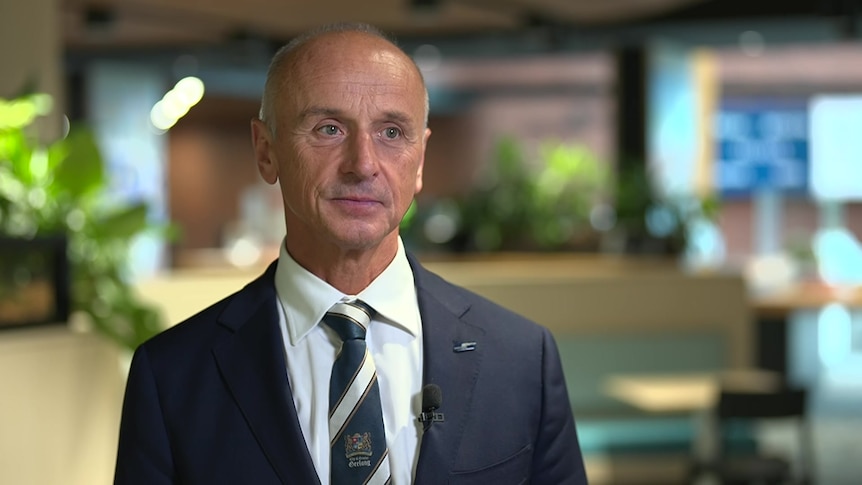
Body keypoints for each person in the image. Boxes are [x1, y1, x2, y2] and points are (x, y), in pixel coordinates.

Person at [114, 22, 588, 485]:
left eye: (391, 133)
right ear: (266, 151)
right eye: (328, 129)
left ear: (419, 161)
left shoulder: (522, 358)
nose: (363, 164)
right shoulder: (172, 376)